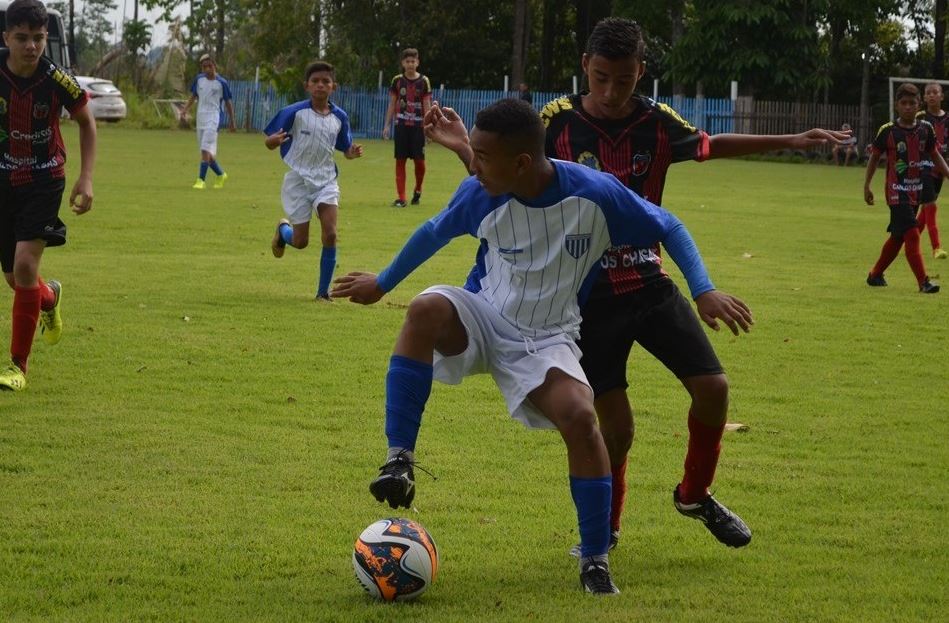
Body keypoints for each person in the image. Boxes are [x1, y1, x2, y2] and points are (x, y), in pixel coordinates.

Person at [425, 17, 846, 555]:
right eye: (601, 78)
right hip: (587, 296)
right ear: (585, 67)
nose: (610, 92)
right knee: (617, 429)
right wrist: (466, 149)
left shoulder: (656, 122)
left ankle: (694, 495)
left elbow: (710, 145)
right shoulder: (555, 122)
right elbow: (505, 176)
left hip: (648, 282)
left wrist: (793, 139)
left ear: (639, 73)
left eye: (623, 80)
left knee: (714, 389)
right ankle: (606, 529)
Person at [332, 98, 751, 595]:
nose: (473, 165)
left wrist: (702, 289)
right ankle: (399, 459)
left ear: (522, 163)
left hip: (546, 338)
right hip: (483, 313)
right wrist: (382, 283)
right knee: (425, 309)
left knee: (581, 418)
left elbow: (668, 225)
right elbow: (432, 232)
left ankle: (594, 559)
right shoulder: (481, 193)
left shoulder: (595, 195)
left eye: (482, 157)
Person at [0, 0, 96, 391]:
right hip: (4, 180)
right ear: (6, 37)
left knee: (25, 264)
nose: (31, 46)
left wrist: (85, 178)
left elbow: (87, 123)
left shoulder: (57, 79)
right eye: (22, 38)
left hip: (44, 178)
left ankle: (16, 367)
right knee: (15, 277)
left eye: (38, 38)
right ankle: (49, 297)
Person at [264, 61, 363, 301]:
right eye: (315, 81)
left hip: (326, 180)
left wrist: (351, 153)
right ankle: (283, 231)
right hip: (298, 181)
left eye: (325, 81)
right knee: (300, 242)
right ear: (306, 86)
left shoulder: (340, 117)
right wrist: (273, 142)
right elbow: (269, 141)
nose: (320, 85)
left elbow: (345, 148)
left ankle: (323, 294)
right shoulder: (294, 112)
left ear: (334, 86)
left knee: (330, 234)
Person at [865, 82, 947, 293]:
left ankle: (875, 274)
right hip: (895, 191)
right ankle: (923, 282)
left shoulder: (926, 129)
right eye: (904, 103)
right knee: (912, 233)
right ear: (897, 105)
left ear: (918, 104)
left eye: (912, 103)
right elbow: (874, 159)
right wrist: (867, 186)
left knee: (898, 236)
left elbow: (935, 154)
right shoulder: (888, 131)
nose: (908, 107)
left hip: (915, 191)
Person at [382, 48, 431, 207]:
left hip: (418, 126)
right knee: (400, 161)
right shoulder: (397, 80)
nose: (410, 64)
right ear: (403, 63)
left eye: (413, 61)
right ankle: (401, 198)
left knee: (420, 162)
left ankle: (418, 189)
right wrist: (387, 125)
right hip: (401, 125)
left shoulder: (424, 81)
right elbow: (392, 103)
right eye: (407, 61)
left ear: (418, 63)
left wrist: (428, 128)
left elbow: (427, 105)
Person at [183, 53, 236, 190]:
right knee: (206, 153)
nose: (207, 69)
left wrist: (232, 121)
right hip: (200, 118)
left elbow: (228, 102)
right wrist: (185, 109)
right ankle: (221, 174)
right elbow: (194, 96)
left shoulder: (222, 83)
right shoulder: (199, 80)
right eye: (204, 67)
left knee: (205, 149)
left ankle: (201, 180)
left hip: (213, 118)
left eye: (209, 66)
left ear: (214, 66)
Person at [917, 83, 948, 259]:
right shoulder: (920, 117)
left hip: (940, 169)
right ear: (924, 97)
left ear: (941, 96)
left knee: (926, 210)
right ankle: (936, 247)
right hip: (923, 167)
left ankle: (909, 238)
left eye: (935, 92)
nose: (931, 95)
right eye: (928, 93)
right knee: (931, 206)